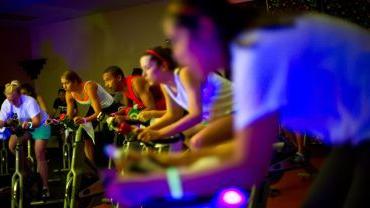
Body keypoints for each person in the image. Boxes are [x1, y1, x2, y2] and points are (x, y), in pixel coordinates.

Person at [104, 0, 370, 207]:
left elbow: (249, 160)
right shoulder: (250, 50)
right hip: (353, 135)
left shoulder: (256, 51)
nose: (178, 55)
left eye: (179, 42)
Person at [137, 46, 234, 150]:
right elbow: (173, 114)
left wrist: (159, 133)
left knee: (197, 142)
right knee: (183, 136)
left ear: (163, 66)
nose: (143, 75)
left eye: (147, 68)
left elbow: (196, 115)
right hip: (219, 117)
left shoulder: (185, 73)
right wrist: (147, 130)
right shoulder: (165, 85)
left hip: (242, 109)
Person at [0, 80, 51, 198]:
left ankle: (44, 187)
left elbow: (37, 122)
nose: (12, 103)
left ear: (20, 94)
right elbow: (2, 120)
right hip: (25, 126)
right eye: (9, 100)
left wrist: (29, 125)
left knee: (39, 153)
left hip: (41, 124)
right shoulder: (7, 103)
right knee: (12, 145)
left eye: (14, 99)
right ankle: (29, 169)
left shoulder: (30, 101)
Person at [61, 70, 119, 162]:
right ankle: (91, 167)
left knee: (110, 134)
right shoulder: (69, 94)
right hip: (97, 108)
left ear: (75, 81)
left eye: (67, 83)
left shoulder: (89, 86)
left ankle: (115, 162)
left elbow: (98, 113)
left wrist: (84, 120)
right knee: (84, 134)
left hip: (110, 107)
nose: (64, 86)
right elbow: (69, 115)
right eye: (62, 84)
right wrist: (63, 121)